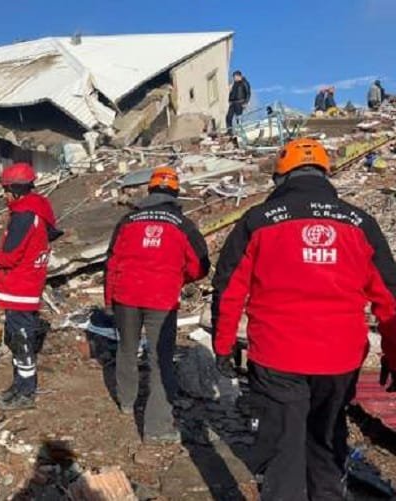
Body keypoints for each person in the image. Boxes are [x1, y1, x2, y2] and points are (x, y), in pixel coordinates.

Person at [212, 138, 396, 500]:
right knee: (326, 443)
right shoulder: (360, 222)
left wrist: (223, 344)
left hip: (277, 356)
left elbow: (228, 286)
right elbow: (390, 297)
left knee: (283, 450)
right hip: (339, 359)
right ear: (326, 174)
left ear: (281, 177)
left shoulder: (258, 220)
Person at [104, 166, 209, 442]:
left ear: (150, 190)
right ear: (175, 193)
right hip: (160, 300)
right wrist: (180, 277)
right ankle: (157, 427)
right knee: (160, 360)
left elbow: (111, 262)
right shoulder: (182, 224)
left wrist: (108, 300)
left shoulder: (128, 220)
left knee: (126, 349)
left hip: (125, 296)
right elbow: (200, 265)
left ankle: (126, 402)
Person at [0, 163, 62, 411]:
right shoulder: (38, 210)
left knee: (21, 339)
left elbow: (10, 256)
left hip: (20, 286)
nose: (4, 195)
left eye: (6, 189)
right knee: (18, 338)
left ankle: (25, 391)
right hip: (27, 284)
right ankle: (19, 386)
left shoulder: (24, 215)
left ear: (16, 189)